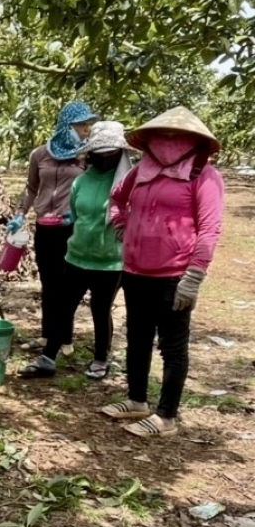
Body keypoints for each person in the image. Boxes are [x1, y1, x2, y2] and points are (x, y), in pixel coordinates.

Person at [100, 106, 224, 437]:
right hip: (136, 269)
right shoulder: (141, 170)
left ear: (193, 140)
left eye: (176, 136)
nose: (168, 142)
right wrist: (122, 225)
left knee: (172, 345)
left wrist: (194, 276)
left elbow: (210, 228)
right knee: (137, 337)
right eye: (163, 135)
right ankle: (137, 400)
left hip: (175, 275)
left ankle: (166, 416)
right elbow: (116, 199)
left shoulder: (203, 174)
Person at [19, 122, 133, 380]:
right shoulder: (81, 181)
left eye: (110, 153)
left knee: (100, 310)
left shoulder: (126, 183)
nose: (105, 158)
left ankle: (101, 358)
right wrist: (68, 222)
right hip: (77, 255)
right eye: (100, 153)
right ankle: (48, 358)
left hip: (110, 260)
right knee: (63, 307)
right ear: (91, 153)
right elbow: (77, 212)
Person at [8, 100, 98, 353]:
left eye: (87, 125)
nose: (85, 130)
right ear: (66, 125)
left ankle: (65, 339)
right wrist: (20, 213)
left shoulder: (86, 156)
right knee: (48, 284)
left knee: (66, 285)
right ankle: (48, 336)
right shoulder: (40, 154)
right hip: (45, 227)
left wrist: (79, 214)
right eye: (81, 125)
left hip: (71, 228)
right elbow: (31, 188)